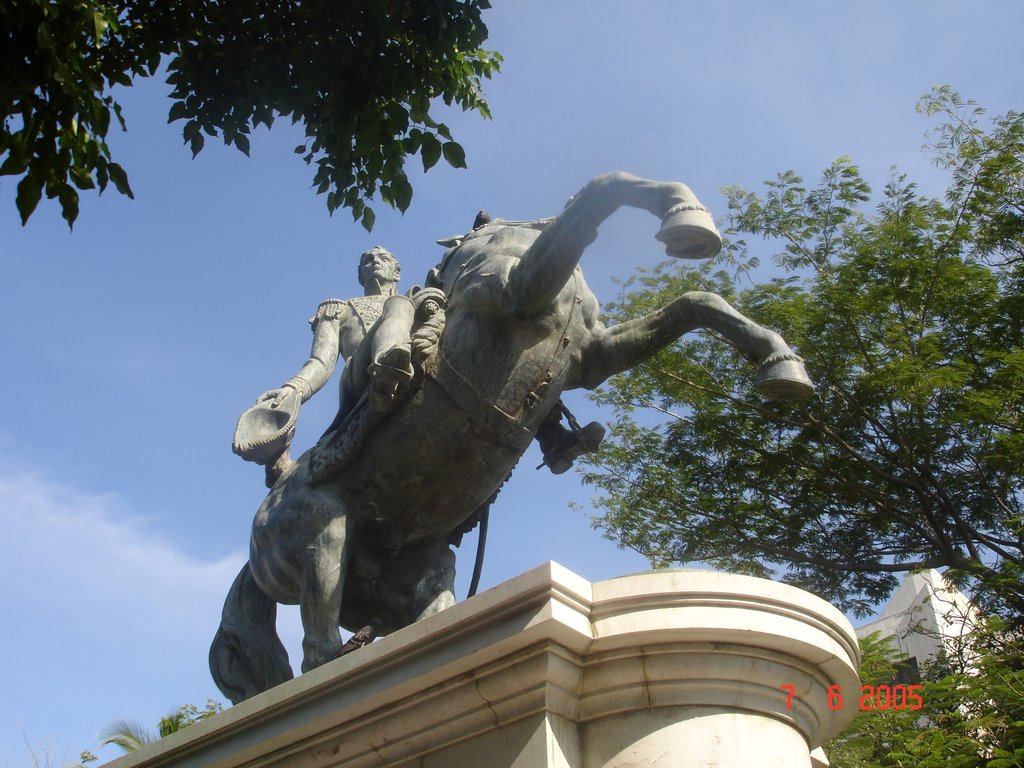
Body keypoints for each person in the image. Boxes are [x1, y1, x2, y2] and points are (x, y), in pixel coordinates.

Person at [235, 246, 417, 485]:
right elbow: (321, 362)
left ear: (397, 272)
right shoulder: (339, 310)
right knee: (400, 304)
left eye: (383, 259)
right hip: (361, 376)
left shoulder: (416, 299)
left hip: (411, 364)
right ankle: (387, 363)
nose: (375, 262)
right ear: (360, 275)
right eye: (368, 260)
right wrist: (292, 390)